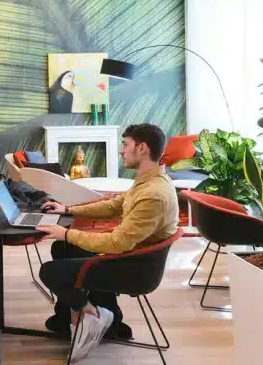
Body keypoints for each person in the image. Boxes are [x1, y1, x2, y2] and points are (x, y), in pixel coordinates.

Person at [35, 123, 179, 362]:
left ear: (142, 148)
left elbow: (117, 243)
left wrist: (66, 232)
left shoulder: (154, 194)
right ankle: (73, 316)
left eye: (126, 145)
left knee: (50, 272)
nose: (122, 150)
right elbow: (114, 205)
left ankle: (94, 314)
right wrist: (69, 208)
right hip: (130, 256)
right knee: (62, 248)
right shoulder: (148, 181)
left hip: (134, 268)